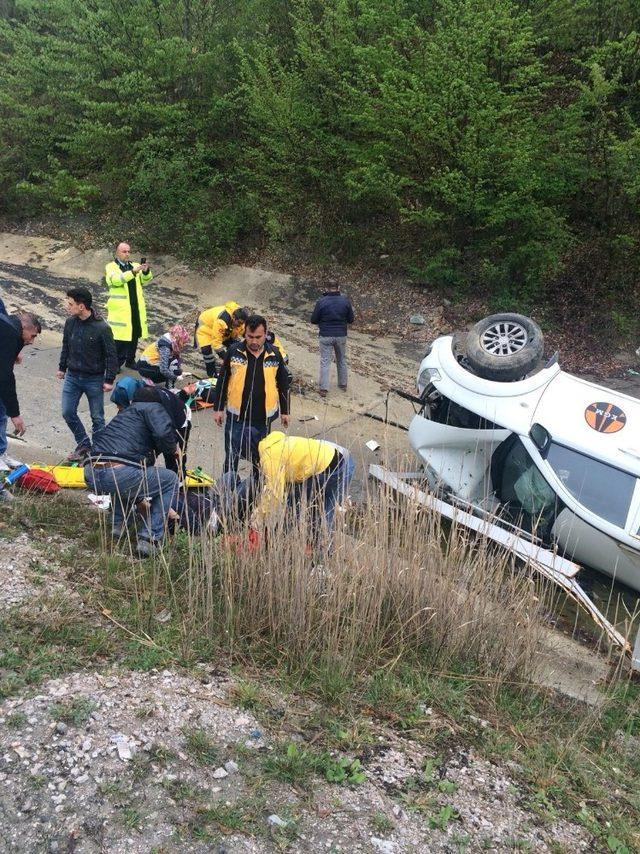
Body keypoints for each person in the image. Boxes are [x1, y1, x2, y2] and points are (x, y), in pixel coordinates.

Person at [84, 397, 179, 557]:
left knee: (128, 478)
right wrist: (173, 448)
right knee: (170, 479)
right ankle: (149, 539)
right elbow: (163, 434)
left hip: (90, 472)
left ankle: (118, 525)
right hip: (117, 473)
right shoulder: (155, 407)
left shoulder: (128, 413)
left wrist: (138, 498)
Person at [212, 314, 291, 474]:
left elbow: (283, 384)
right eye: (250, 336)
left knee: (260, 460)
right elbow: (223, 380)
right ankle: (229, 492)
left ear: (265, 334)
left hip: (262, 419)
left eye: (258, 337)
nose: (254, 341)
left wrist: (285, 411)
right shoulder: (233, 352)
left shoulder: (275, 355)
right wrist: (218, 408)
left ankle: (255, 493)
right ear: (244, 334)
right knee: (231, 457)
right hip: (236, 417)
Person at [252, 431, 355, 544]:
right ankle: (287, 541)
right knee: (308, 508)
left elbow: (274, 494)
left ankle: (283, 543)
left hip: (334, 468)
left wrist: (258, 518)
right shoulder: (273, 443)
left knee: (307, 510)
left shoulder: (269, 458)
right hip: (333, 459)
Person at [57, 287, 118, 462]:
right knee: (68, 412)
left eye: (70, 304)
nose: (67, 306)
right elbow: (66, 346)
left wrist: (109, 379)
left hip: (94, 379)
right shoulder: (70, 322)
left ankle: (98, 453)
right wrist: (62, 368)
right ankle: (84, 444)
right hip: (73, 377)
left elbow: (111, 355)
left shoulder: (102, 328)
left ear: (81, 306)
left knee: (97, 417)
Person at [0, 311, 42, 474]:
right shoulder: (10, 333)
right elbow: (5, 377)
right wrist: (15, 414)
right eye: (31, 336)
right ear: (23, 327)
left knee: (1, 413)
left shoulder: (11, 328)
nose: (31, 341)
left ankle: (1, 453)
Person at [105, 242, 153, 369]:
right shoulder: (111, 267)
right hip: (120, 311)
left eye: (128, 251)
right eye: (124, 251)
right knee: (120, 340)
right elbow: (116, 280)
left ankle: (130, 360)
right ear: (117, 252)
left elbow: (145, 280)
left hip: (135, 307)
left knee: (134, 335)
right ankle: (115, 365)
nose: (127, 254)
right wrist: (132, 272)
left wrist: (146, 271)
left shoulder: (135, 265)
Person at [310, 279, 355, 397]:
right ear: (338, 287)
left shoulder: (322, 302)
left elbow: (313, 320)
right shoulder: (345, 301)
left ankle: (324, 389)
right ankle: (343, 384)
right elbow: (351, 319)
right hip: (341, 335)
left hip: (325, 335)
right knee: (341, 360)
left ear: (326, 288)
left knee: (325, 361)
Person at [195, 302, 248, 377]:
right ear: (233, 317)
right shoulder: (222, 321)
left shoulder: (240, 317)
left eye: (242, 323)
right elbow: (216, 344)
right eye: (239, 322)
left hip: (223, 329)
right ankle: (211, 373)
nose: (240, 325)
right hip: (205, 328)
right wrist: (226, 358)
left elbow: (243, 331)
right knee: (206, 351)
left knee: (235, 346)